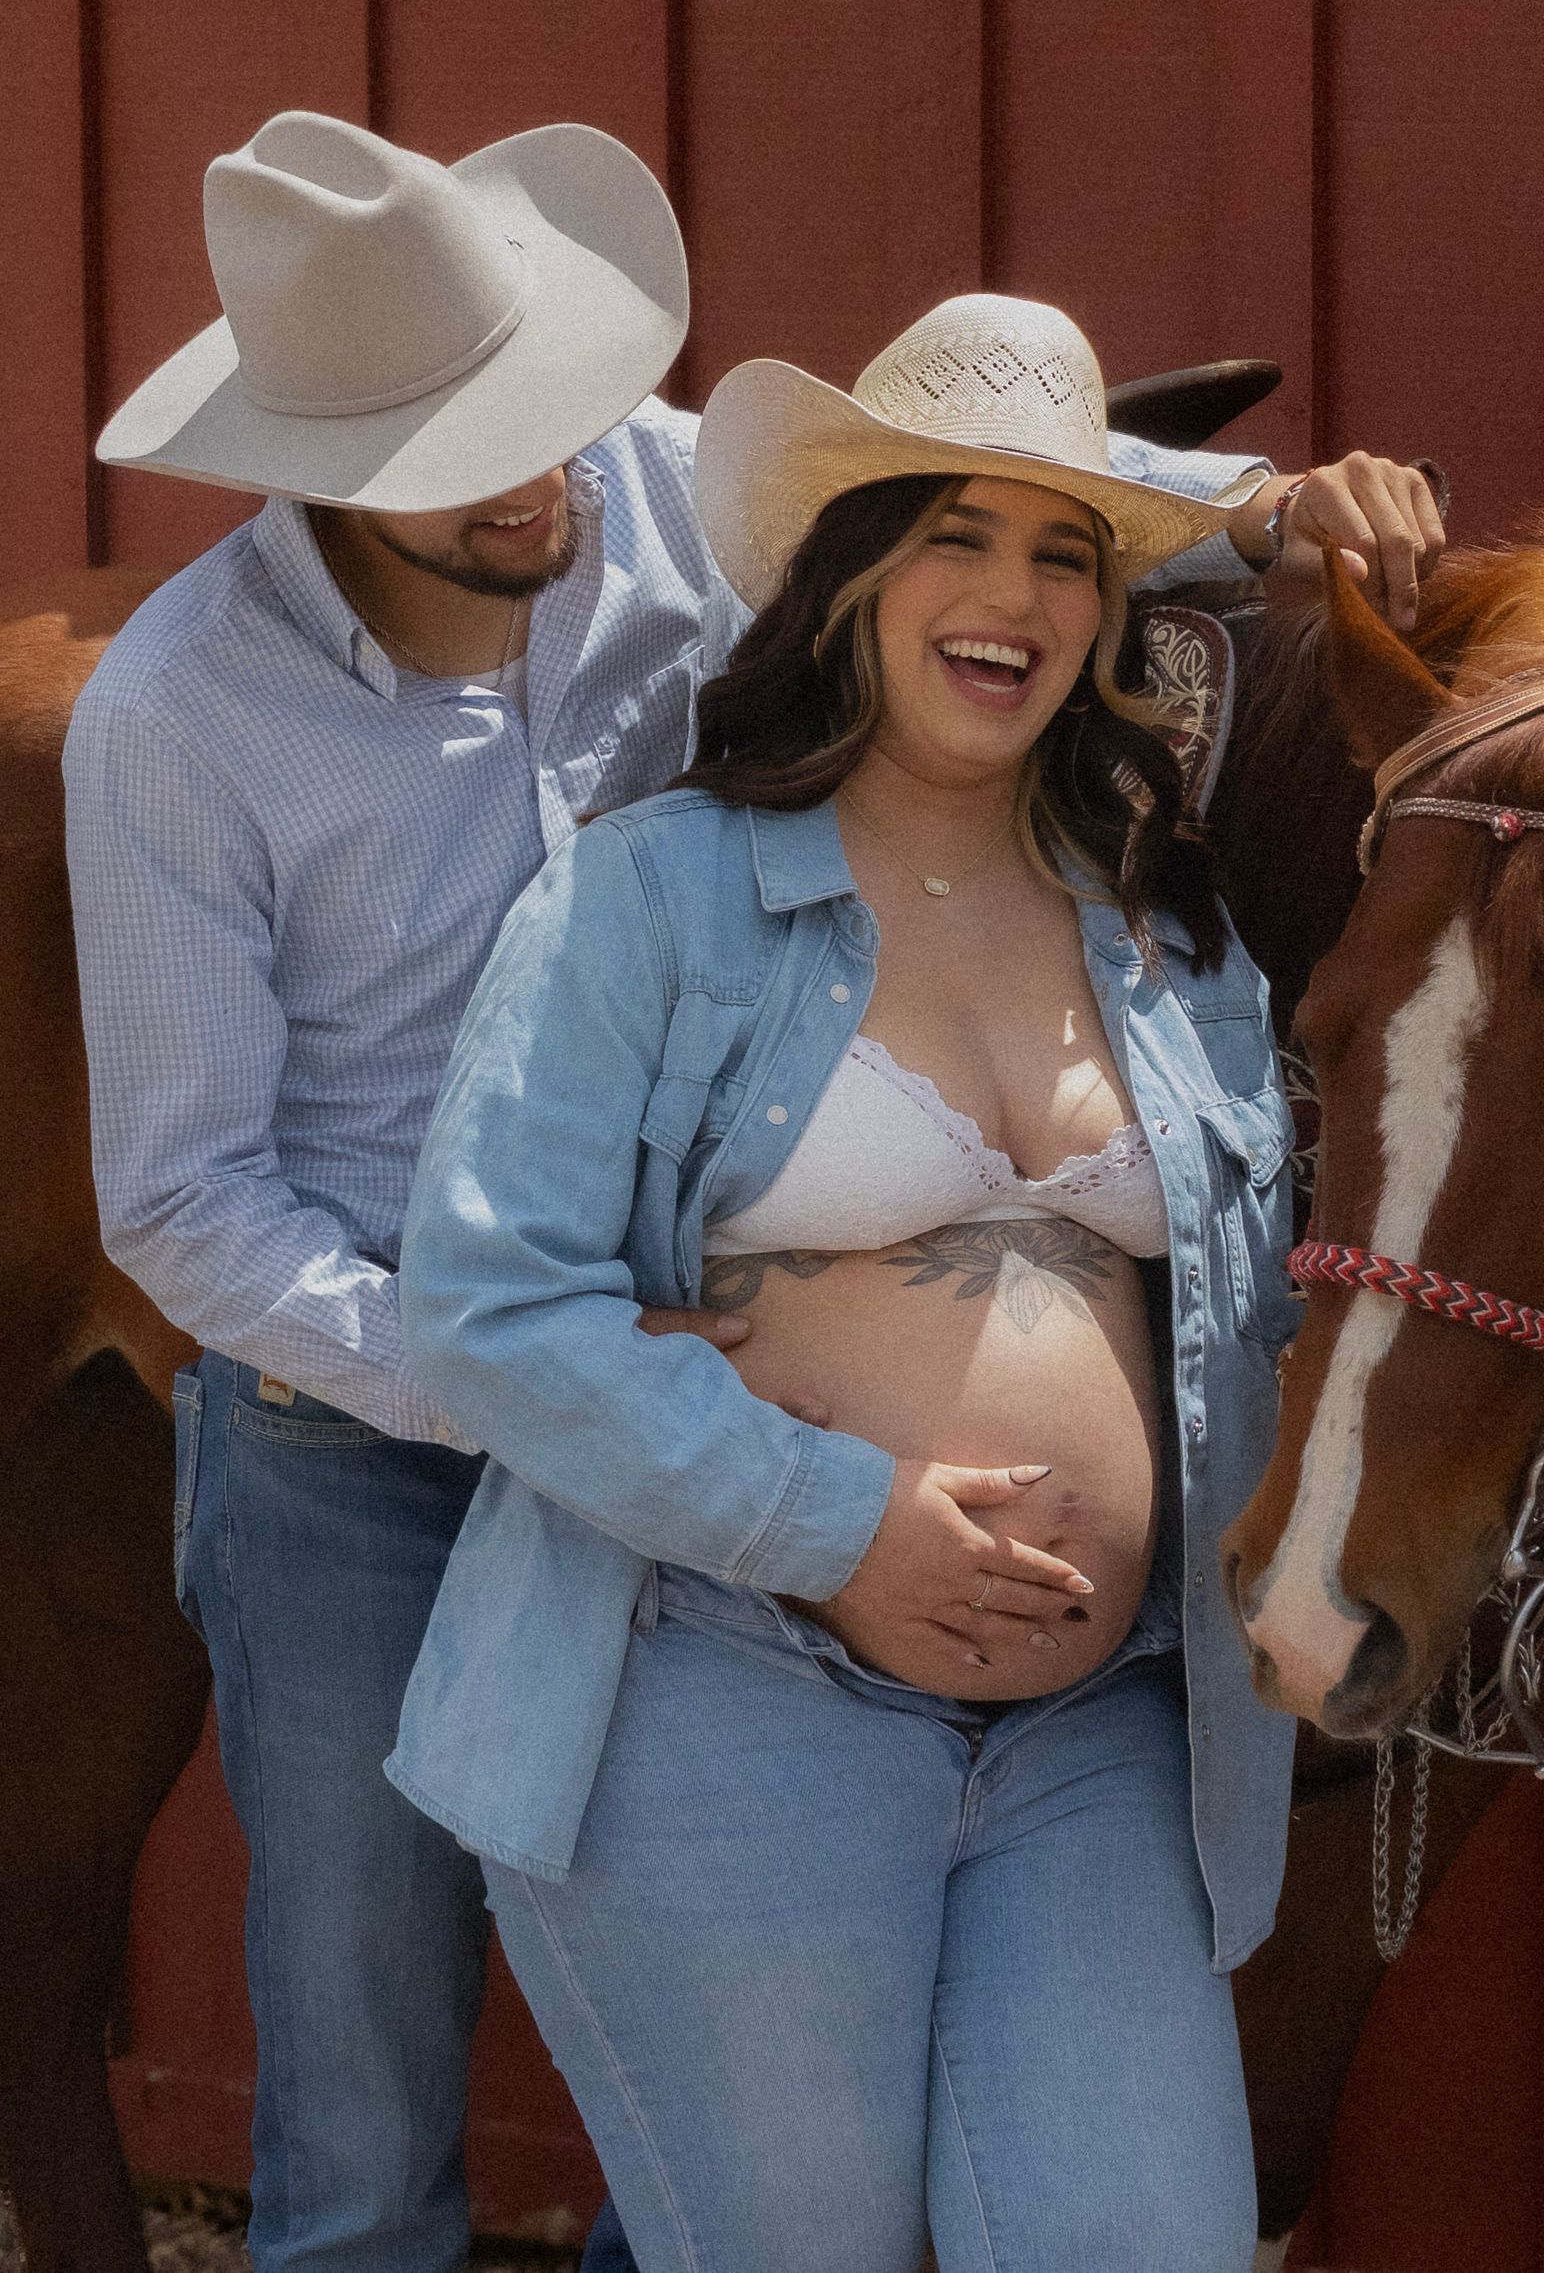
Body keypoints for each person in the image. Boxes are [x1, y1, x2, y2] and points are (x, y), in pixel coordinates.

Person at [64, 119, 1433, 2272]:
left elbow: (1000, 543)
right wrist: (592, 1404)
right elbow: (185, 1201)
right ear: (316, 466)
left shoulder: (656, 500)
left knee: (725, 2150)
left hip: (753, 1464)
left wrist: (1269, 513)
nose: (532, 479)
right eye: (454, 456)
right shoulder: (179, 719)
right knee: (368, 2072)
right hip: (358, 1411)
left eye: (543, 420)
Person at [390, 296, 1437, 2273]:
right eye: (953, 532)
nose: (1013, 593)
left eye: (1064, 551)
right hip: (727, 1696)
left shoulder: (1171, 938)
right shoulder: (656, 895)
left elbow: (1269, 1314)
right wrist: (842, 1520)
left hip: (1098, 1742)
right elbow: (484, 1302)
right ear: (854, 575)